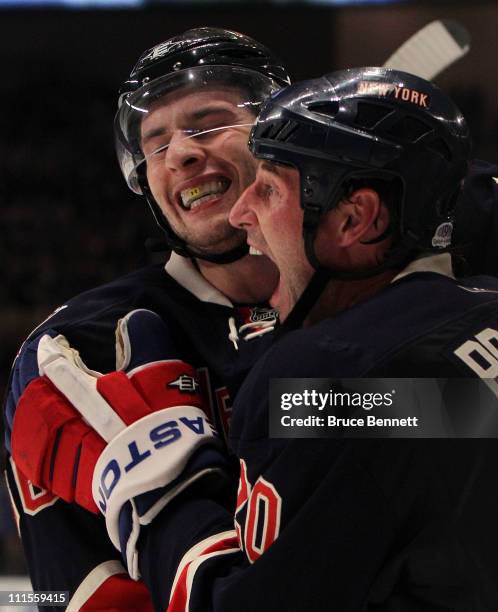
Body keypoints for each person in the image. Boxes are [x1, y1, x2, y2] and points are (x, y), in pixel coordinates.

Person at [15, 67, 498, 611]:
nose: (242, 210)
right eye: (154, 142)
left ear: (357, 218)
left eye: (269, 185)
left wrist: (162, 491)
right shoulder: (491, 295)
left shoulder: (322, 377)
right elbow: (451, 413)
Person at [3, 27, 289, 610]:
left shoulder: (380, 303)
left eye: (207, 124)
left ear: (282, 135)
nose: (179, 153)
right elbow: (92, 595)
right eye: (155, 143)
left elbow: (469, 431)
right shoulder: (83, 350)